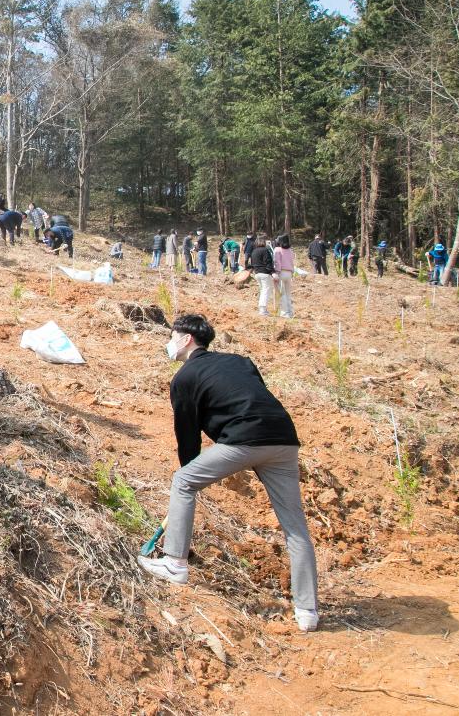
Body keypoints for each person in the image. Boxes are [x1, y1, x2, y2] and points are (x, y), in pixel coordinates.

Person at [139, 314, 318, 633]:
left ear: (186, 339)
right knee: (295, 527)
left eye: (172, 335)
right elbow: (252, 397)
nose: (169, 342)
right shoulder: (240, 361)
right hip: (284, 439)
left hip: (244, 439)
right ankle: (307, 611)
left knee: (183, 482)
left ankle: (174, 563)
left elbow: (187, 432)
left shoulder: (184, 377)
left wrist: (190, 471)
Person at [251, 233, 276, 316]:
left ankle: (262, 308)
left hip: (257, 273)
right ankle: (263, 309)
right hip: (264, 273)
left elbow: (252, 263)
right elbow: (268, 262)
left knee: (262, 290)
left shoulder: (254, 251)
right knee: (266, 290)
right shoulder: (265, 250)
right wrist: (272, 272)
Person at [274, 234, 295, 318]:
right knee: (288, 293)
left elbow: (277, 262)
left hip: (281, 272)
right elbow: (292, 261)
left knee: (282, 294)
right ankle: (290, 312)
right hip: (289, 272)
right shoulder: (290, 250)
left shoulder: (277, 250)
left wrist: (277, 272)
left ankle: (284, 312)